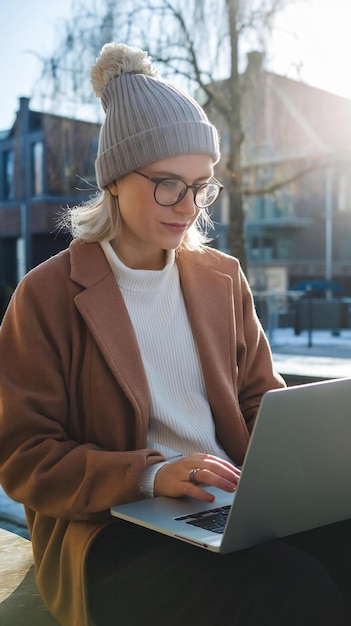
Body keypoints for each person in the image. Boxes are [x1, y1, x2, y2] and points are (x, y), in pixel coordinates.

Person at [0, 42, 349, 626]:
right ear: (114, 179)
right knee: (291, 588)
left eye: (202, 185)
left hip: (230, 507)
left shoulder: (222, 278)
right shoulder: (46, 295)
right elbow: (22, 455)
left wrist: (305, 468)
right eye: (168, 184)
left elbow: (262, 400)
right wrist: (148, 474)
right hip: (112, 530)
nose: (188, 206)